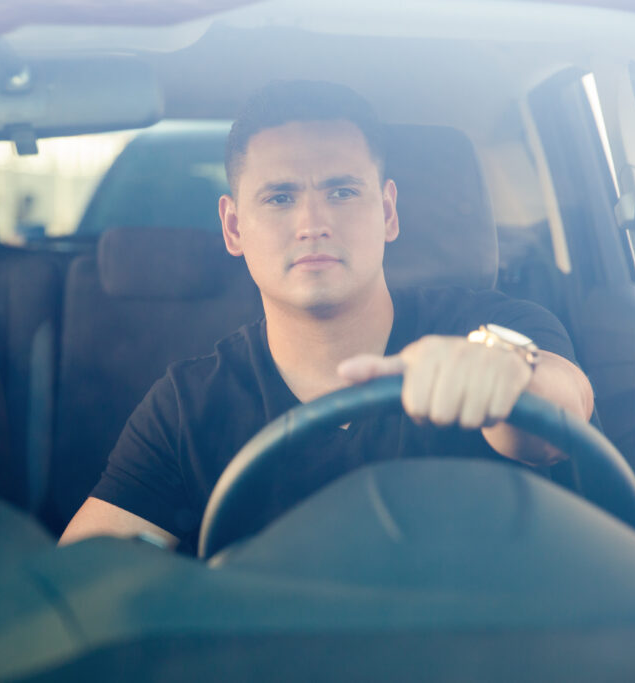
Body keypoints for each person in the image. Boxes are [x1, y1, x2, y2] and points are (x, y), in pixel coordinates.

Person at [59, 80, 594, 554]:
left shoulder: (493, 327)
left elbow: (557, 421)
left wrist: (502, 380)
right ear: (233, 227)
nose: (313, 222)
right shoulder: (189, 407)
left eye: (341, 191)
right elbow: (81, 588)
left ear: (387, 212)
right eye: (279, 197)